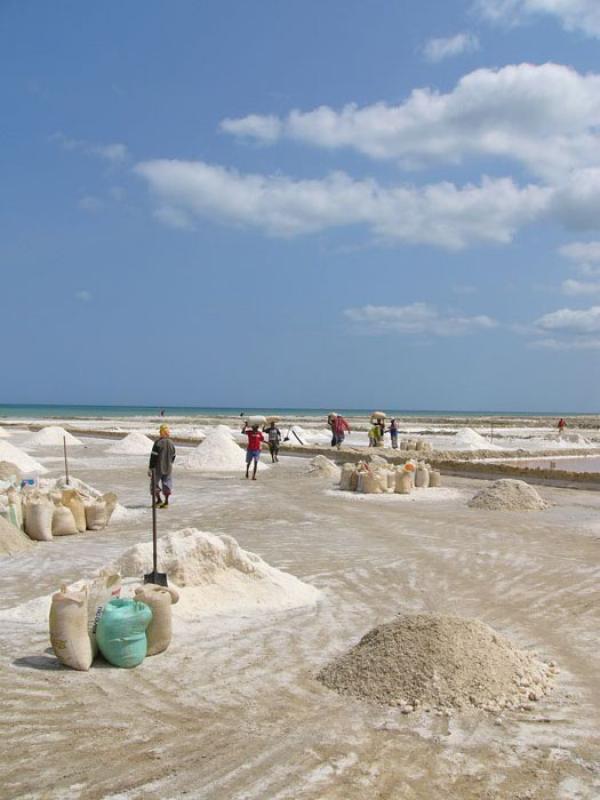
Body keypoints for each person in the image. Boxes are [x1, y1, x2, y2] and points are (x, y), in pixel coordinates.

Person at [148, 424, 176, 508]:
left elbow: (153, 456)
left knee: (154, 484)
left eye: (160, 432)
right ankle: (166, 502)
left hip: (158, 467)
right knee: (167, 484)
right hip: (168, 467)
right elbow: (174, 456)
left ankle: (159, 500)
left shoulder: (158, 443)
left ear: (162, 432)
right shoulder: (171, 443)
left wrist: (151, 467)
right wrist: (170, 463)